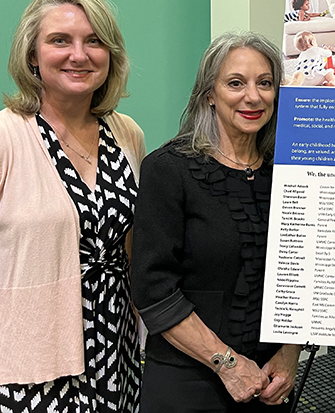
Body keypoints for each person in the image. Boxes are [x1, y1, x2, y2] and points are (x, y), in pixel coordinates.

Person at [0, 0, 145, 412]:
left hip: (115, 361)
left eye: (94, 41)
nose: (79, 55)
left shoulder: (126, 133)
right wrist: (0, 318)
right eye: (60, 40)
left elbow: (129, 244)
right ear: (32, 56)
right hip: (21, 376)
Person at [131, 31, 302, 412]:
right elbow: (153, 290)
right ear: (209, 93)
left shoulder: (289, 173)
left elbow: (304, 278)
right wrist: (227, 364)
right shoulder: (168, 170)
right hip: (188, 382)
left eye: (265, 83)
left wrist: (290, 354)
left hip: (270, 382)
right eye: (236, 83)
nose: (253, 97)